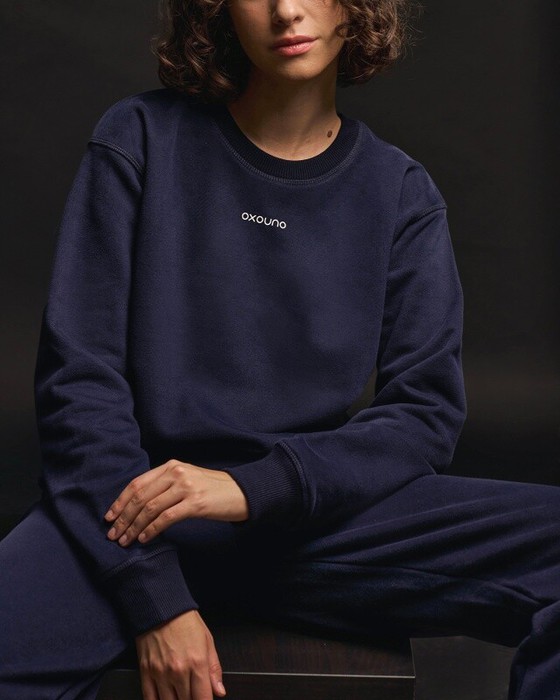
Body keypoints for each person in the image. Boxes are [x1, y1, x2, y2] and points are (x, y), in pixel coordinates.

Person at [1, 0, 560, 698]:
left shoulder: (400, 193)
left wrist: (253, 487)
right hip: (136, 515)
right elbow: (79, 384)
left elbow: (422, 417)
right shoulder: (140, 136)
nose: (287, 11)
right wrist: (157, 600)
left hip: (309, 519)